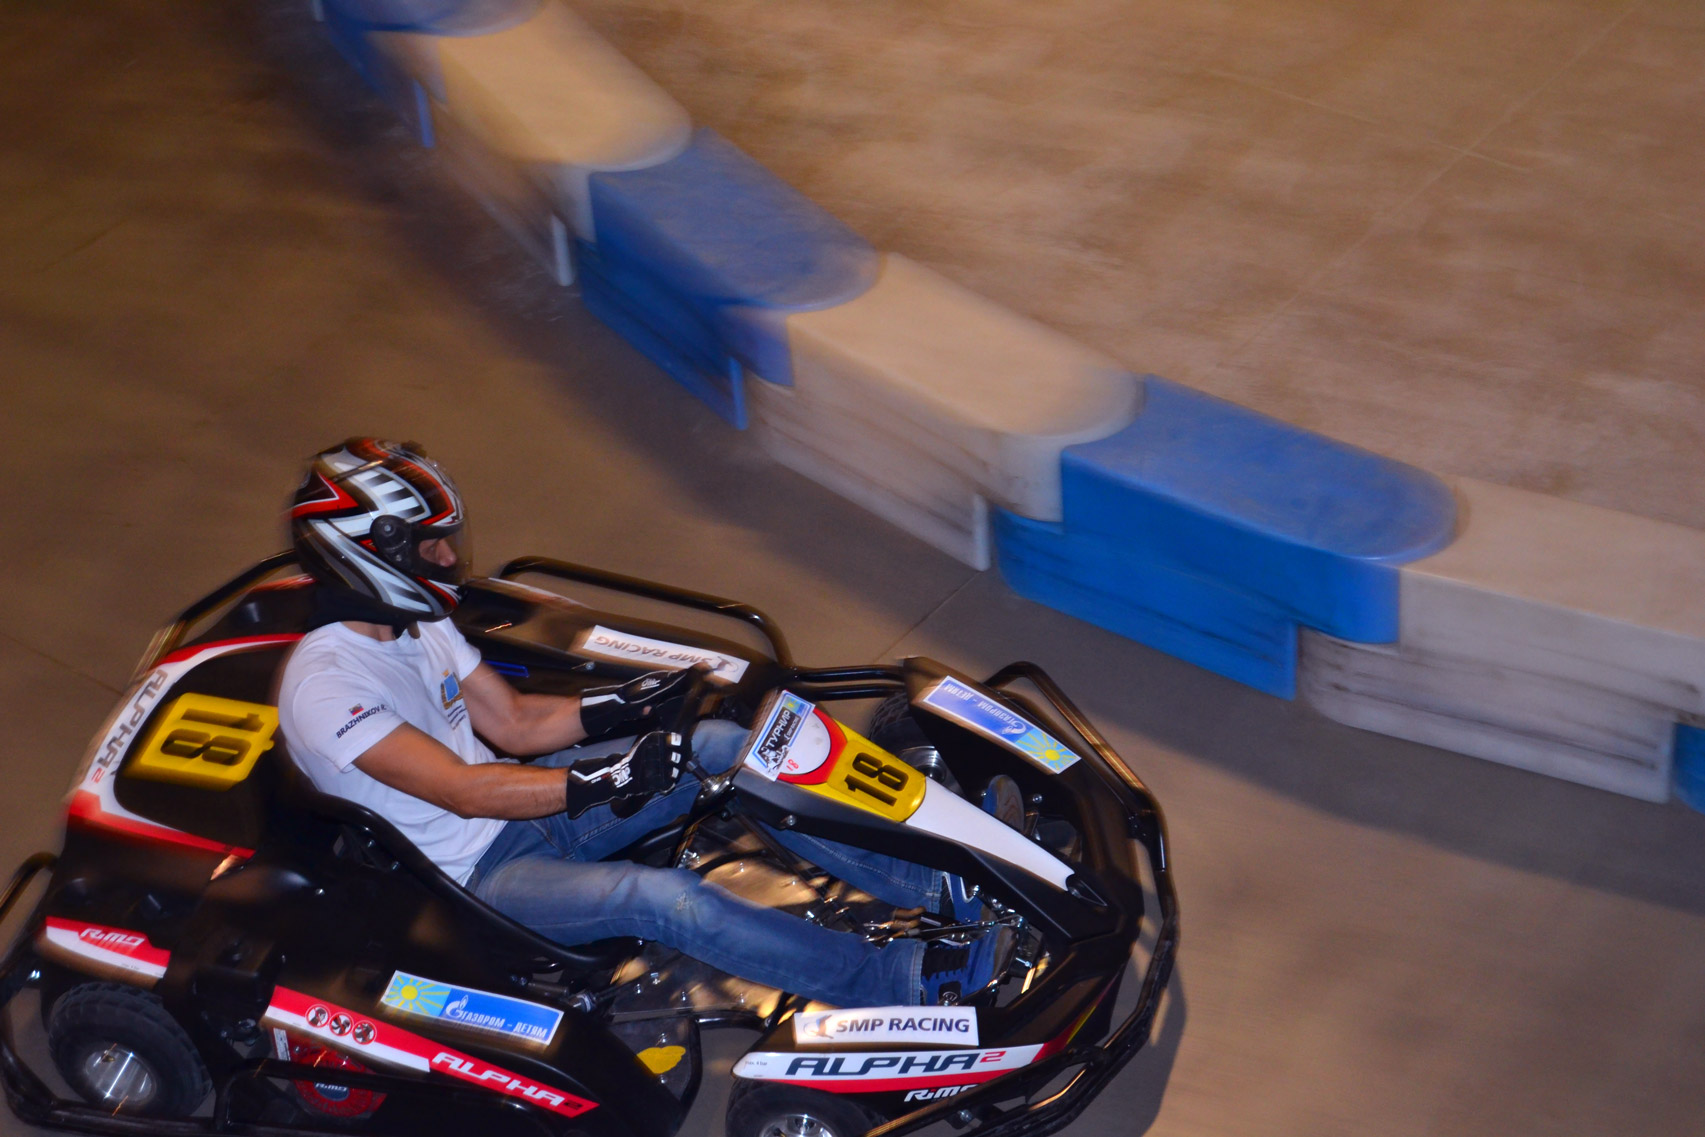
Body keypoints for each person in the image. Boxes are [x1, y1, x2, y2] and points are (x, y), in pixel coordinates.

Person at [277, 438, 1006, 1008]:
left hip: (520, 807)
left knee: (721, 747)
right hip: (474, 878)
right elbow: (462, 791)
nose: (445, 557)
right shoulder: (326, 686)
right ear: (364, 556)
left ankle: (933, 880)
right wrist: (608, 777)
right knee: (663, 900)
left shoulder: (416, 622)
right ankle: (898, 981)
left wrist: (621, 705)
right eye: (426, 546)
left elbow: (515, 722)